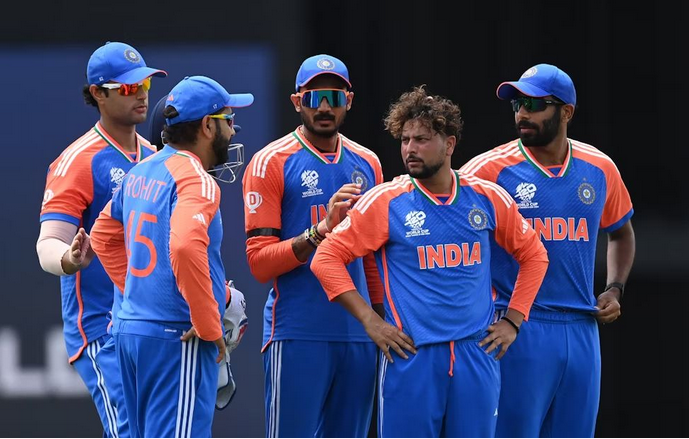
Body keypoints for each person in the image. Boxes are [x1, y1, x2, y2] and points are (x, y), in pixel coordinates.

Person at [310, 85, 549, 438]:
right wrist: (371, 322)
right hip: (412, 357)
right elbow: (325, 258)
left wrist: (513, 320)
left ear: (449, 144)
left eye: (421, 139)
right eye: (405, 140)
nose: (410, 149)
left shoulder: (486, 197)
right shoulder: (386, 201)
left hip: (476, 355)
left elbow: (535, 255)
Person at [459, 63, 636, 438]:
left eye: (535, 105)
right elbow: (447, 229)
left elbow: (621, 233)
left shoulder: (599, 167)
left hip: (583, 327)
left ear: (566, 112)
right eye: (517, 104)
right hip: (518, 327)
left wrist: (614, 288)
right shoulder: (488, 170)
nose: (522, 114)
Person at [90, 75, 254, 437]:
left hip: (131, 331)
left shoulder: (141, 170)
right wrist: (208, 323)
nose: (232, 130)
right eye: (228, 119)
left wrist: (139, 293)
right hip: (177, 336)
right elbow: (184, 246)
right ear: (208, 126)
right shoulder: (197, 179)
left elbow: (102, 237)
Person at [242, 54, 384, 438]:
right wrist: (320, 230)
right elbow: (259, 264)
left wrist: (381, 320)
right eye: (313, 97)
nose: (324, 107)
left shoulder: (368, 163)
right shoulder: (270, 162)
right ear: (296, 102)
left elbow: (372, 258)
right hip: (298, 332)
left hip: (358, 336)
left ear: (349, 101)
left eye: (334, 98)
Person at [36, 41, 166, 437]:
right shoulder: (79, 160)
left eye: (144, 85)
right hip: (101, 328)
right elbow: (48, 243)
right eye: (127, 88)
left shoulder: (157, 157)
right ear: (98, 94)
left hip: (149, 323)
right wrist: (70, 259)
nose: (141, 95)